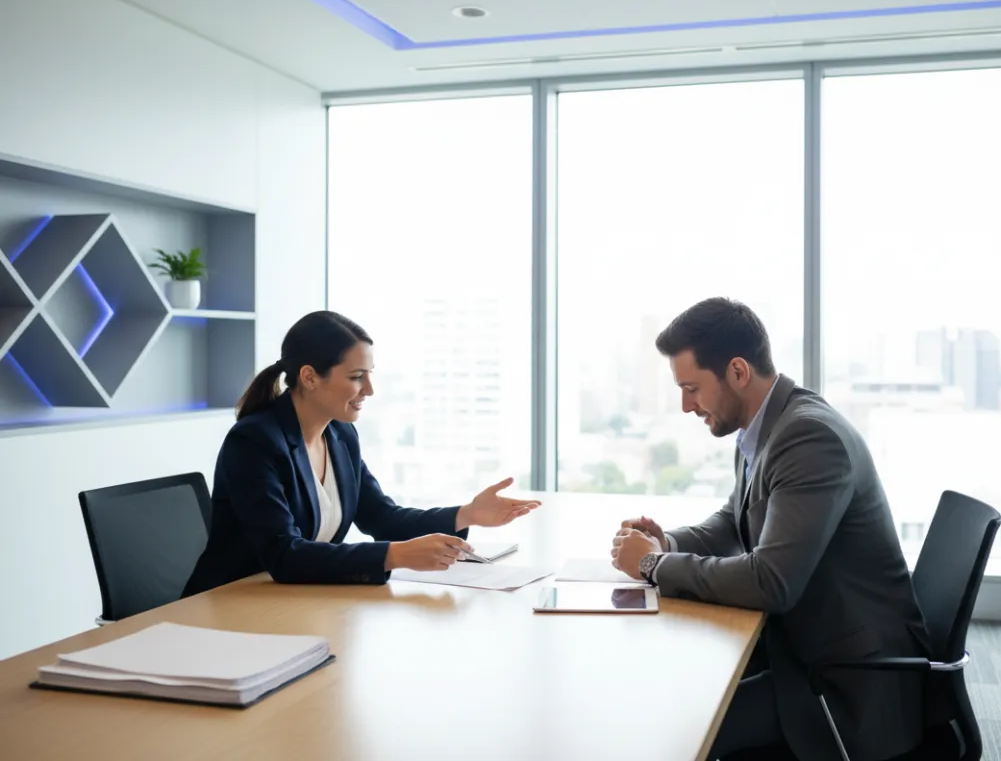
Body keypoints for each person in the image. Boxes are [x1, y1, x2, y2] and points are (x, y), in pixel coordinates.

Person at [610, 298, 935, 761]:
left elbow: (771, 583)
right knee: (673, 693)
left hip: (842, 686)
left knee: (677, 730)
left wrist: (651, 564)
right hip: (799, 651)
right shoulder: (764, 426)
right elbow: (733, 519)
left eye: (692, 388)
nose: (685, 406)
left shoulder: (808, 438)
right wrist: (668, 542)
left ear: (738, 372)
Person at [184, 311, 540, 596]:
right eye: (356, 376)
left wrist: (467, 514)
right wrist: (396, 555)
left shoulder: (340, 435)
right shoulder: (255, 441)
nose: (369, 389)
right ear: (309, 377)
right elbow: (284, 554)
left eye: (369, 374)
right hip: (228, 606)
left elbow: (382, 517)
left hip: (295, 600)